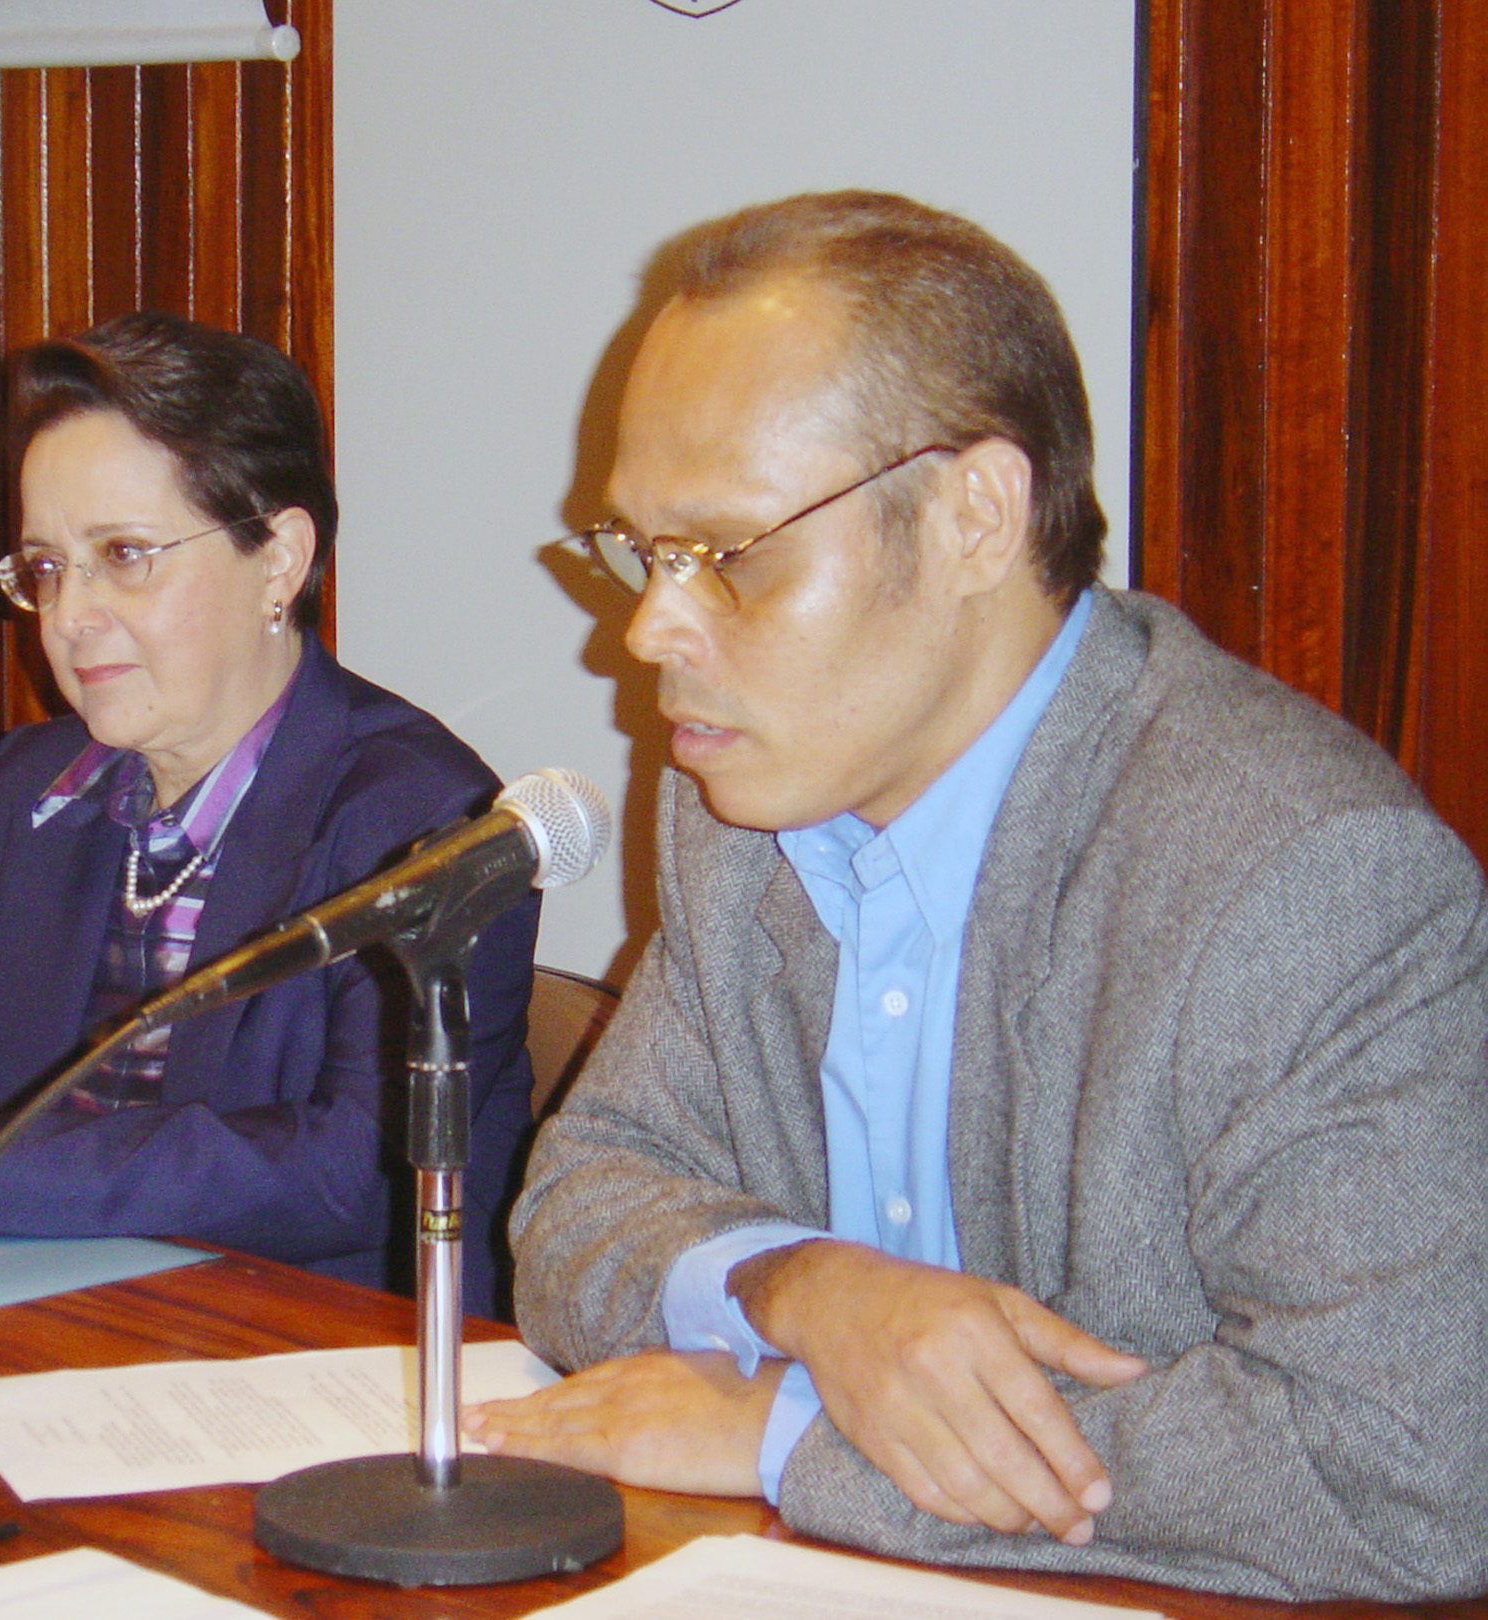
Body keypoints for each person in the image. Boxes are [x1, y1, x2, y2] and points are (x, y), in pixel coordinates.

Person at [464, 192, 1488, 1601]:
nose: (649, 628)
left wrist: (788, 1431)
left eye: (730, 553)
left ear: (973, 516)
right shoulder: (733, 810)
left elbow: (1402, 1473)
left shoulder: (1295, 878)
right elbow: (580, 1205)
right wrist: (808, 1291)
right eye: (643, 551)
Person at [0, 311, 539, 1318]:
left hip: (307, 1357)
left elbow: (353, 1168)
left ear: (280, 560)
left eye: (123, 555)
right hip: (42, 1329)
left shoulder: (426, 819)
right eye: (44, 567)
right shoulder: (38, 788)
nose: (68, 616)